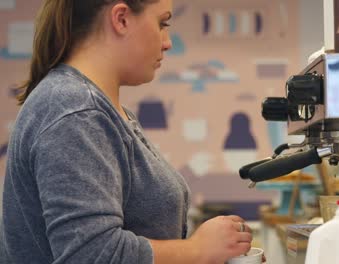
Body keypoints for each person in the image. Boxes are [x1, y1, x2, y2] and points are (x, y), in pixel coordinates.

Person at [0, 0, 254, 263]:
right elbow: (92, 255)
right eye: (162, 23)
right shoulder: (76, 110)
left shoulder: (100, 109)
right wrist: (198, 250)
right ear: (121, 19)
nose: (167, 42)